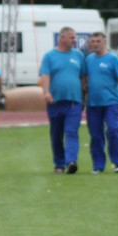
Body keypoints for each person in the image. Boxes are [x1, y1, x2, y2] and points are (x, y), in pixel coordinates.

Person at [39, 27, 86, 174]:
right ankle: (59, 164)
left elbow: (83, 76)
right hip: (55, 102)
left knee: (72, 131)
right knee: (56, 134)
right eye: (72, 37)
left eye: (75, 37)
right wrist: (46, 92)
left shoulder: (78, 55)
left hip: (74, 102)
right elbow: (45, 76)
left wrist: (84, 95)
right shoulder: (49, 56)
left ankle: (71, 161)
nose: (75, 40)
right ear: (62, 38)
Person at [84, 32, 118, 173]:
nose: (95, 44)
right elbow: (85, 79)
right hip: (93, 103)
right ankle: (98, 165)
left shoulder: (113, 58)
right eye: (93, 41)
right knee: (96, 135)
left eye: (98, 41)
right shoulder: (89, 59)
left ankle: (117, 162)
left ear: (104, 42)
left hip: (111, 102)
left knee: (113, 129)